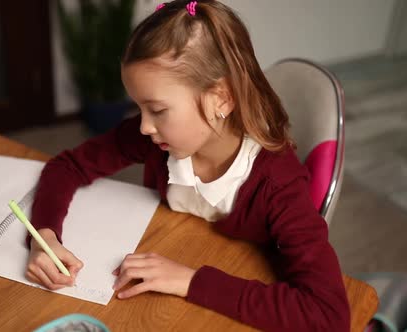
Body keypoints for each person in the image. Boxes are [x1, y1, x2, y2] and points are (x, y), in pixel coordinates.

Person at [25, 1, 350, 330]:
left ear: (220, 98)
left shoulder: (278, 186)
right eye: (140, 107)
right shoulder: (156, 138)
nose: (144, 126)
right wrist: (45, 236)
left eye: (157, 110)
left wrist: (190, 281)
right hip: (169, 263)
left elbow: (328, 315)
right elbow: (66, 166)